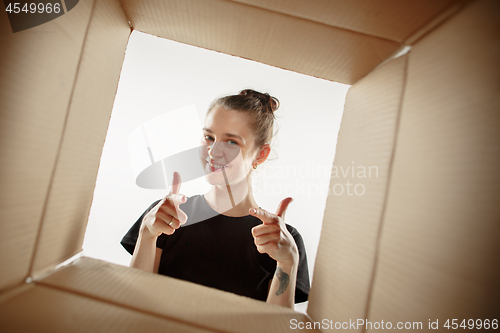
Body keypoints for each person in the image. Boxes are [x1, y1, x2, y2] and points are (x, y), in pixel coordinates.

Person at [121, 89, 310, 309]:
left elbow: (277, 328)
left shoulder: (281, 240)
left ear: (260, 154)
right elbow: (132, 305)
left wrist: (287, 263)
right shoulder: (166, 215)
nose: (213, 151)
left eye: (231, 142)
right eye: (209, 137)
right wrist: (147, 234)